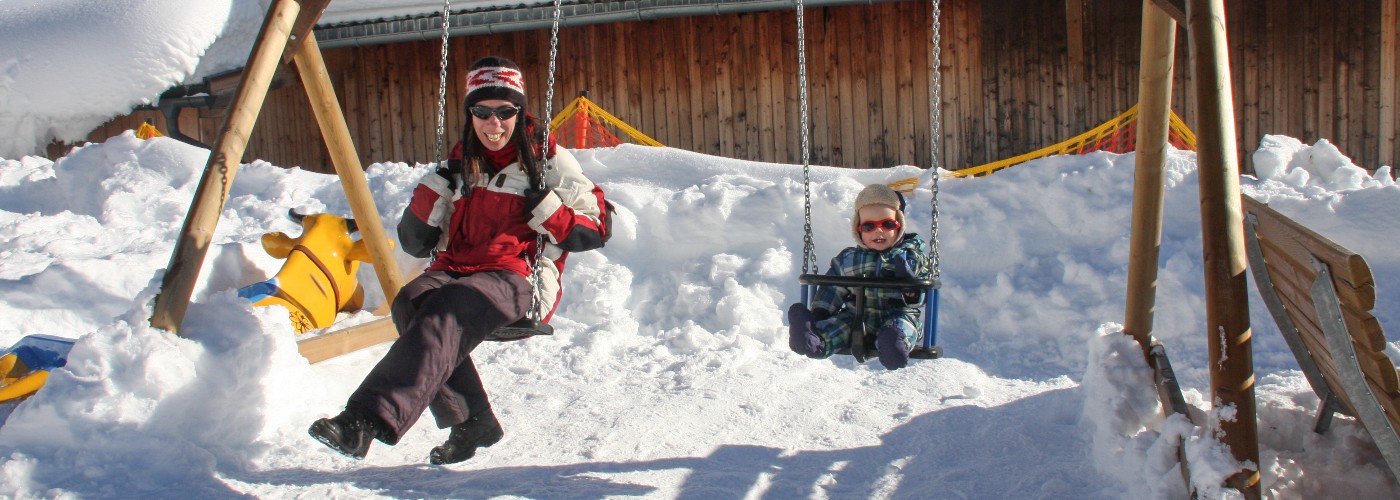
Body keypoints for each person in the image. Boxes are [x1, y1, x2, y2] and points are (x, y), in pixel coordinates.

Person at [309, 56, 609, 465]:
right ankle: (473, 420)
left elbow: (596, 228)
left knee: (446, 310)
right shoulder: (458, 165)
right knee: (410, 303)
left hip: (514, 277)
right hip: (454, 269)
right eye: (482, 112)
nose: (494, 124)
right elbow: (416, 244)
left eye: (506, 112)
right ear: (471, 115)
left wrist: (549, 210)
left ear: (520, 114)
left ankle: (364, 419)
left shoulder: (548, 162)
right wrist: (433, 189)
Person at [786, 183, 930, 370]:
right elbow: (832, 289)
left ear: (900, 225)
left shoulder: (911, 256)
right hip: (856, 316)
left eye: (887, 224)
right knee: (839, 326)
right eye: (869, 226)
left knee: (902, 328)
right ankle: (813, 340)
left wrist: (910, 286)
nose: (878, 231)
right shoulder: (849, 258)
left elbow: (922, 293)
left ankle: (893, 347)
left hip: (897, 315)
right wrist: (819, 313)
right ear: (858, 229)